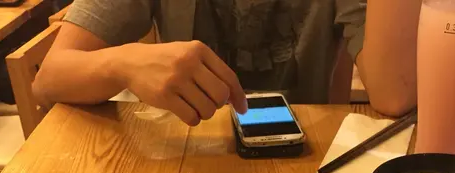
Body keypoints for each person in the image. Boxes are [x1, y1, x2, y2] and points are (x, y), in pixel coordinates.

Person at [33, 0, 422, 125]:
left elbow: (394, 94)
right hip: (185, 165)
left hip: (305, 170)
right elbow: (49, 78)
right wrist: (124, 62)